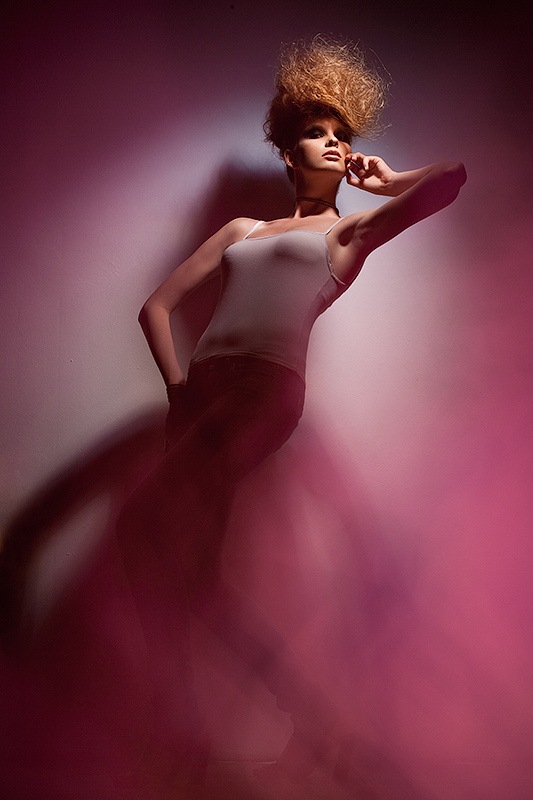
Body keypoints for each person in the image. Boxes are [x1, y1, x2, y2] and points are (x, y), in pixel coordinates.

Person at [116, 36, 466, 791]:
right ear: (285, 150)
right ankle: (242, 726)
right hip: (204, 396)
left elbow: (451, 180)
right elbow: (156, 308)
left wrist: (389, 179)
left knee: (173, 550)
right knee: (174, 562)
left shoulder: (346, 234)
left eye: (343, 135)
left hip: (262, 390)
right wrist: (178, 390)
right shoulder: (241, 232)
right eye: (317, 132)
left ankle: (256, 728)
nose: (334, 144)